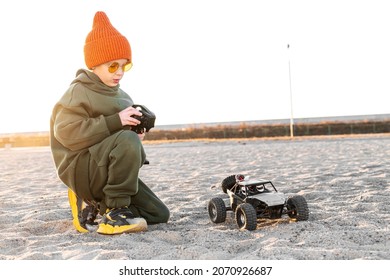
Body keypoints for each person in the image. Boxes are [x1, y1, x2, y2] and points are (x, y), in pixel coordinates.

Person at [50, 11, 170, 235]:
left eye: (125, 65)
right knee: (126, 139)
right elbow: (65, 133)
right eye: (113, 66)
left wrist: (136, 138)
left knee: (159, 215)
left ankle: (97, 204)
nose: (120, 72)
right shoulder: (79, 91)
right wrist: (117, 124)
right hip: (80, 166)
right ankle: (114, 214)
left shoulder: (124, 97)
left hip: (109, 169)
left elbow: (120, 142)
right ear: (95, 64)